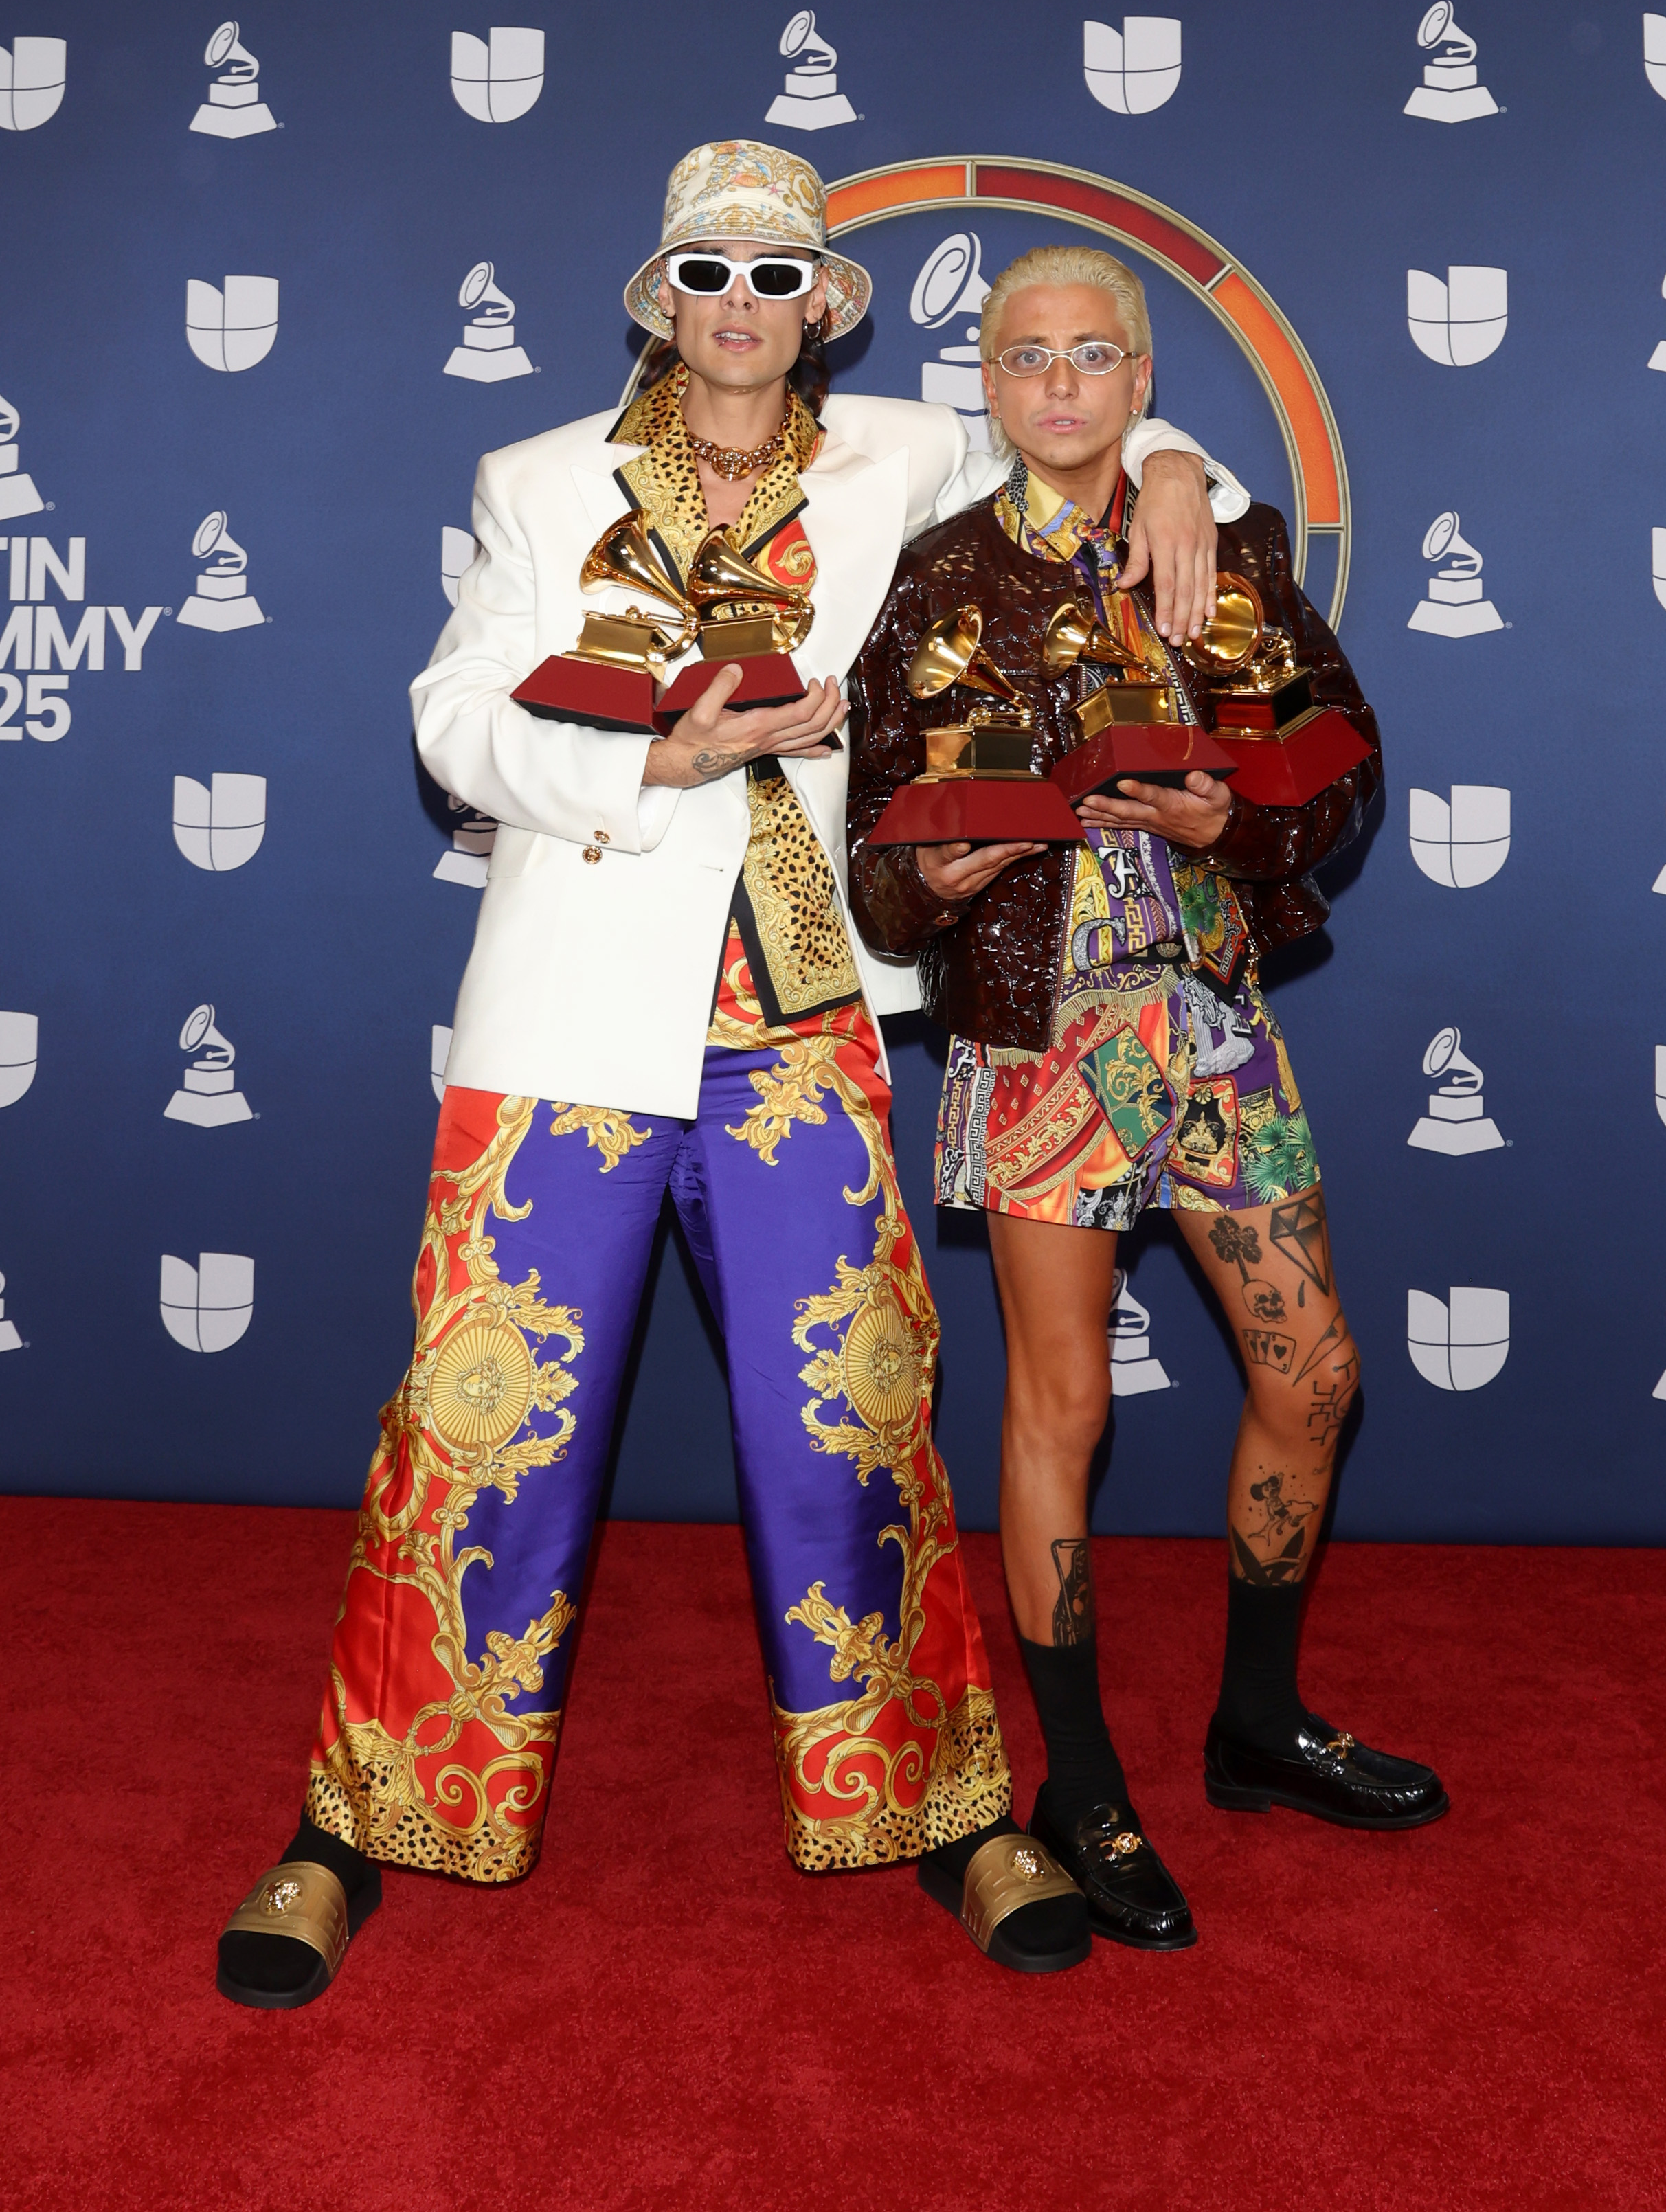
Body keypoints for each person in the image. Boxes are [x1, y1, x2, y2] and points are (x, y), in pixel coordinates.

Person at [216, 147, 1237, 2006]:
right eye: (708, 272)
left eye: (779, 276)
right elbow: (452, 719)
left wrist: (1175, 466)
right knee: (477, 1428)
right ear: (661, 296)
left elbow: (1077, 438)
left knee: (853, 1418)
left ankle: (933, 1804)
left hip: (799, 1021)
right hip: (571, 1012)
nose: (742, 305)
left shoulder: (903, 459)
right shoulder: (538, 479)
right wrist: (652, 768)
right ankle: (354, 1821)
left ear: (824, 305)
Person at [847, 244, 1446, 1956]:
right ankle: (1084, 1782)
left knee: (1315, 1370)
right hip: (1037, 1030)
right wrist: (930, 882)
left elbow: (1343, 761)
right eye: (1026, 354)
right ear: (986, 379)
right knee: (1065, 1406)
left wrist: (1228, 824)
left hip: (1213, 1015)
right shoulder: (934, 577)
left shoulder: (1228, 544)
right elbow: (872, 849)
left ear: (1142, 374)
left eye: (1092, 353)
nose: (1058, 383)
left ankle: (1257, 1720)